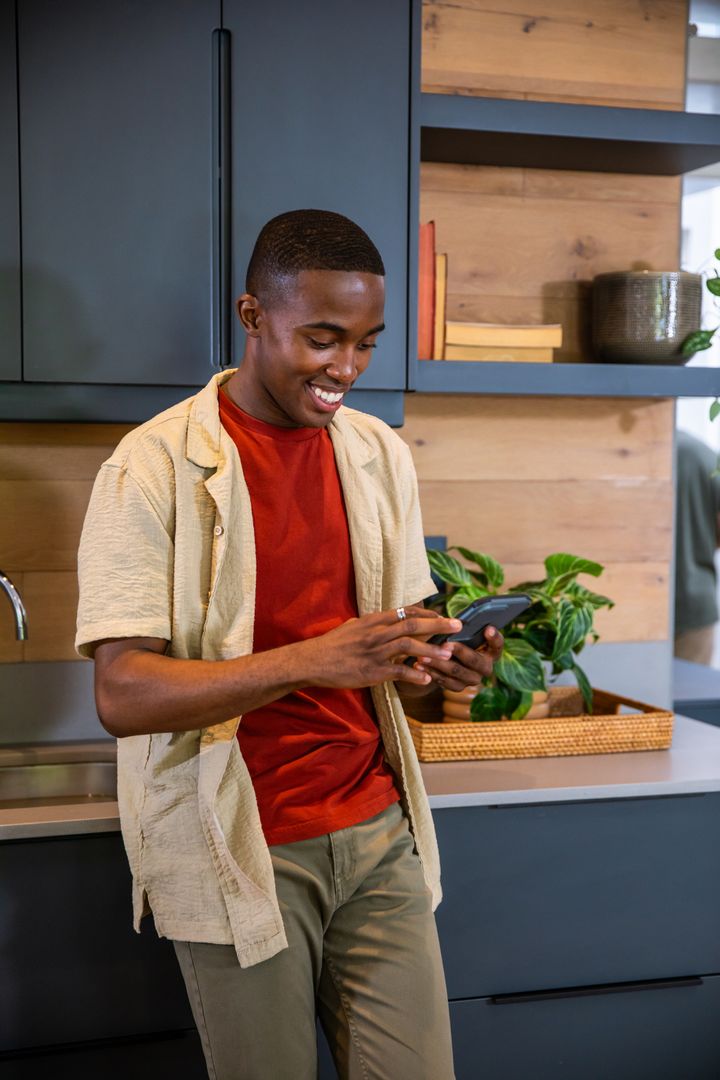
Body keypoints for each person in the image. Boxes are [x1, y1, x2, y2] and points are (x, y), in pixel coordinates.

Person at [75, 209, 503, 1080]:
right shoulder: (149, 467)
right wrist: (315, 659)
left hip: (377, 831)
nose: (345, 368)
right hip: (240, 841)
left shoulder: (379, 454)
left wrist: (442, 666)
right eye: (321, 338)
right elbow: (121, 695)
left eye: (366, 344)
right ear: (251, 316)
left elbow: (390, 665)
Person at [674, 428, 720, 666]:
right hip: (694, 604)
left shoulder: (633, 453)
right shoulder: (703, 455)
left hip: (636, 607)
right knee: (690, 697)